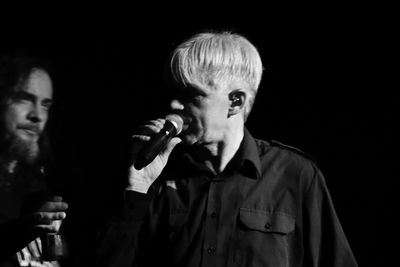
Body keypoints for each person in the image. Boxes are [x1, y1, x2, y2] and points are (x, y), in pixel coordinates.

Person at [95, 31, 358, 266]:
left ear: (235, 101)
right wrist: (137, 188)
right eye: (173, 93)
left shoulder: (296, 175)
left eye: (190, 94)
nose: (174, 105)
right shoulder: (160, 175)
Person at [0, 52, 68, 267]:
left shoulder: (41, 181)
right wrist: (19, 232)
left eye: (45, 105)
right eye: (24, 99)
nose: (37, 115)